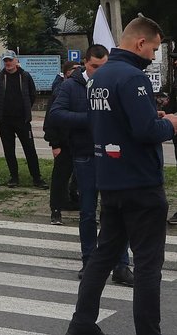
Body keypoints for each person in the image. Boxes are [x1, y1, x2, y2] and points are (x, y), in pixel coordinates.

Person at [66, 17, 177, 335]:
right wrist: (171, 122)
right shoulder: (133, 78)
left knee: (103, 255)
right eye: (154, 49)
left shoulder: (99, 78)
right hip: (141, 185)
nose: (154, 56)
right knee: (147, 266)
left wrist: (150, 115)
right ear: (140, 43)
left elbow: (116, 119)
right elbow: (146, 131)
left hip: (110, 182)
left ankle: (82, 323)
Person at [50, 44, 133, 287]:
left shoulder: (114, 83)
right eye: (94, 67)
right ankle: (90, 262)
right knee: (87, 212)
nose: (99, 72)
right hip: (85, 154)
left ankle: (121, 265)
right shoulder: (70, 86)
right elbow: (56, 114)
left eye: (103, 67)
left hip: (112, 154)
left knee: (116, 211)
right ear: (85, 63)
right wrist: (90, 118)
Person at [0, 50, 48, 189]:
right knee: (9, 150)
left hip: (23, 120)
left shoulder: (25, 76)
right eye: (6, 61)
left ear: (16, 61)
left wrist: (25, 109)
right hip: (4, 121)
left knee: (30, 149)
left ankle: (37, 177)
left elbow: (32, 94)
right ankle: (14, 177)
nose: (8, 63)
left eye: (10, 60)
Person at [44, 60, 81, 224]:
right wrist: (55, 143)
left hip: (81, 143)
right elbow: (50, 121)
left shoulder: (84, 89)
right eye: (74, 69)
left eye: (80, 69)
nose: (78, 71)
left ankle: (77, 203)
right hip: (64, 144)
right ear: (66, 73)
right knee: (60, 178)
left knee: (82, 178)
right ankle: (56, 210)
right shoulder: (59, 91)